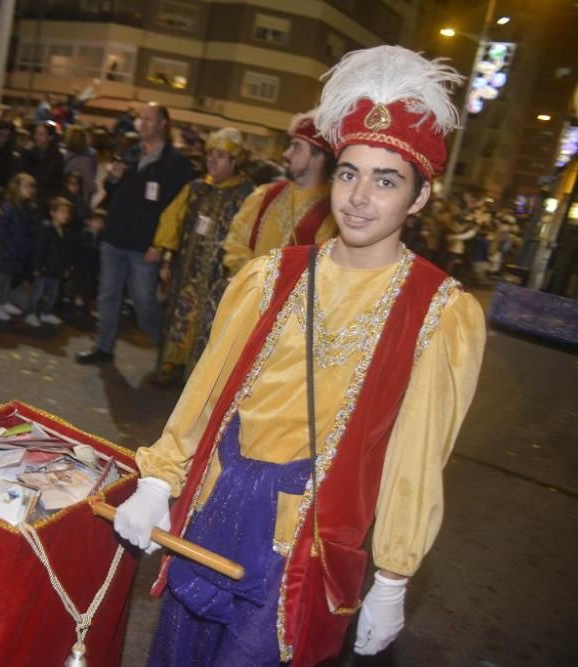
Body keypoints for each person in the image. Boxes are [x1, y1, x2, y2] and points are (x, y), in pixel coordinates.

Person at [112, 46, 486, 666]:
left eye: (386, 180)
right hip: (214, 506)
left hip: (306, 546)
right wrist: (159, 477)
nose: (360, 197)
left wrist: (393, 575)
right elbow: (206, 389)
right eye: (349, 173)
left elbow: (415, 457)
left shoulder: (440, 314)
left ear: (419, 198)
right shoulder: (268, 277)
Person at [76, 102, 193, 364]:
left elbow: (178, 211)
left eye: (149, 119)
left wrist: (162, 247)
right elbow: (112, 190)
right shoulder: (130, 153)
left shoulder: (175, 163)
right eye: (140, 118)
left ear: (164, 124)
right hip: (115, 238)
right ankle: (103, 347)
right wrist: (113, 179)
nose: (142, 123)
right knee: (108, 295)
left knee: (143, 302)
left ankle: (166, 349)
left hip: (145, 246)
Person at [151, 127, 254, 387]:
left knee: (211, 327)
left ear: (235, 161)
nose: (212, 160)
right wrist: (166, 257)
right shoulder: (196, 188)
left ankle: (198, 382)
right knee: (178, 320)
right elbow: (172, 221)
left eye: (221, 155)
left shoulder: (248, 196)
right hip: (185, 273)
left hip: (219, 281)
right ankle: (171, 367)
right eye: (211, 154)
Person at [222, 111, 336, 276]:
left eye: (296, 146)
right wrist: (256, 282)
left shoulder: (334, 214)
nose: (286, 154)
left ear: (318, 156)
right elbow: (236, 242)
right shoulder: (264, 195)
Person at [0, 172, 37, 321]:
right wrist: (8, 248)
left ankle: (4, 301)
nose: (30, 189)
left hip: (18, 249)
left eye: (31, 187)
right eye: (26, 186)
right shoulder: (8, 206)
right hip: (8, 249)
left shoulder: (26, 207)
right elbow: (3, 230)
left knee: (9, 277)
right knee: (2, 277)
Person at [27, 196, 73, 327]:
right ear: (53, 213)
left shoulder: (65, 232)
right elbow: (38, 249)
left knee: (53, 294)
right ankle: (30, 313)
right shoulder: (45, 229)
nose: (66, 215)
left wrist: (66, 267)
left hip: (57, 269)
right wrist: (36, 267)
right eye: (62, 211)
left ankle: (46, 313)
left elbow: (66, 253)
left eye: (67, 212)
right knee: (37, 293)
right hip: (44, 268)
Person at [71, 207, 105, 315]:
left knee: (90, 288)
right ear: (89, 221)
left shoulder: (101, 237)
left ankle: (87, 308)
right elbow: (76, 250)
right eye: (96, 221)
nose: (99, 224)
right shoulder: (82, 235)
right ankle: (77, 307)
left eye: (101, 222)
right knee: (80, 286)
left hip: (93, 267)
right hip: (81, 266)